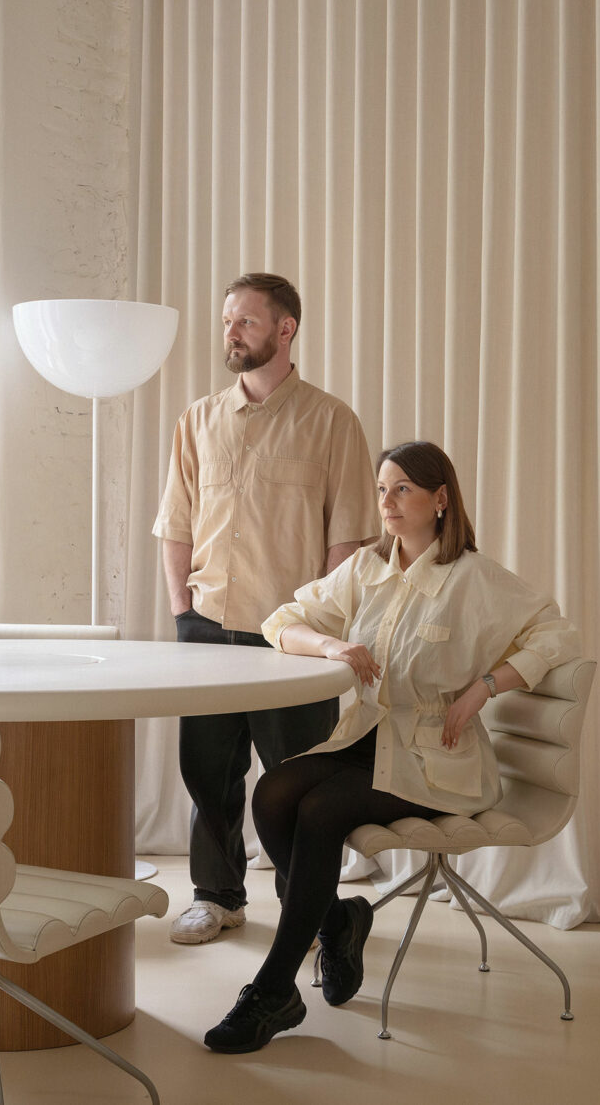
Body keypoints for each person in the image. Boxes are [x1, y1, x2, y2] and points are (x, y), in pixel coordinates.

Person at [203, 439, 581, 1053]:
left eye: (402, 488)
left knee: (321, 812)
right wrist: (332, 647)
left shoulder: (475, 579)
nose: (387, 503)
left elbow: (557, 632)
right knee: (273, 794)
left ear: (440, 499)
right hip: (362, 738)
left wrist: (484, 688)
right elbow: (282, 620)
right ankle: (337, 921)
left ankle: (274, 991)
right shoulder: (364, 569)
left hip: (436, 759)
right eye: (382, 490)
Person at [153, 272, 380, 946]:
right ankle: (216, 897)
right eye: (227, 322)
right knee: (209, 776)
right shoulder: (197, 420)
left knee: (299, 783)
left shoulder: (332, 421)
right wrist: (181, 613)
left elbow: (348, 536)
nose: (231, 333)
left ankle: (304, 907)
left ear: (286, 330)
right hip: (207, 630)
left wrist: (317, 624)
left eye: (246, 322)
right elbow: (176, 524)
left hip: (293, 638)